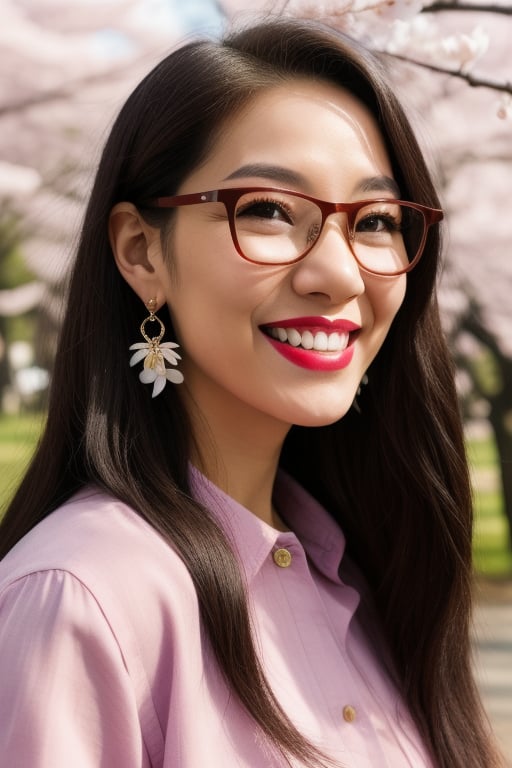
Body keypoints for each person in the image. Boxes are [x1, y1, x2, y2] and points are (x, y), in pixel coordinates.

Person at [0, 15, 502, 768]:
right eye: (267, 209)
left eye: (374, 220)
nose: (338, 274)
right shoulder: (82, 600)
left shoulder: (368, 576)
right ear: (142, 252)